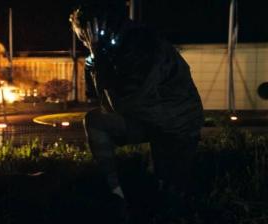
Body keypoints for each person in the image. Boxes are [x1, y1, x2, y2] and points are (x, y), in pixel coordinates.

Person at [69, 0, 204, 218]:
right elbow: (102, 103)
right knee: (95, 121)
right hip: (147, 118)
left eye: (82, 35)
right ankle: (115, 194)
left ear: (95, 28)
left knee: (170, 198)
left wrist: (98, 56)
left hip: (177, 124)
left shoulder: (140, 43)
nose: (83, 42)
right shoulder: (110, 47)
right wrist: (94, 61)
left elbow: (120, 104)